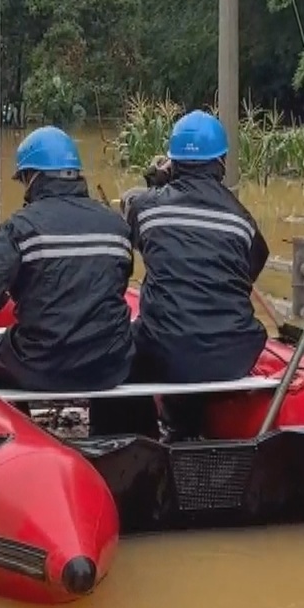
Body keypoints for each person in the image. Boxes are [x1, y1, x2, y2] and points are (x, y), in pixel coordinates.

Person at [0, 126, 136, 395]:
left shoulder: (21, 228)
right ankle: (119, 429)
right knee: (111, 348)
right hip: (110, 363)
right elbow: (118, 283)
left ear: (33, 177)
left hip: (43, 363)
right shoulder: (116, 226)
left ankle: (15, 428)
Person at [122, 110, 270, 438]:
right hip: (235, 354)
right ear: (221, 162)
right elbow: (251, 267)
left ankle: (134, 442)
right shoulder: (241, 219)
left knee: (117, 353)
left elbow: (132, 220)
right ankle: (186, 425)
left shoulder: (147, 209)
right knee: (189, 343)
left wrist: (157, 184)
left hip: (165, 349)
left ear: (172, 162)